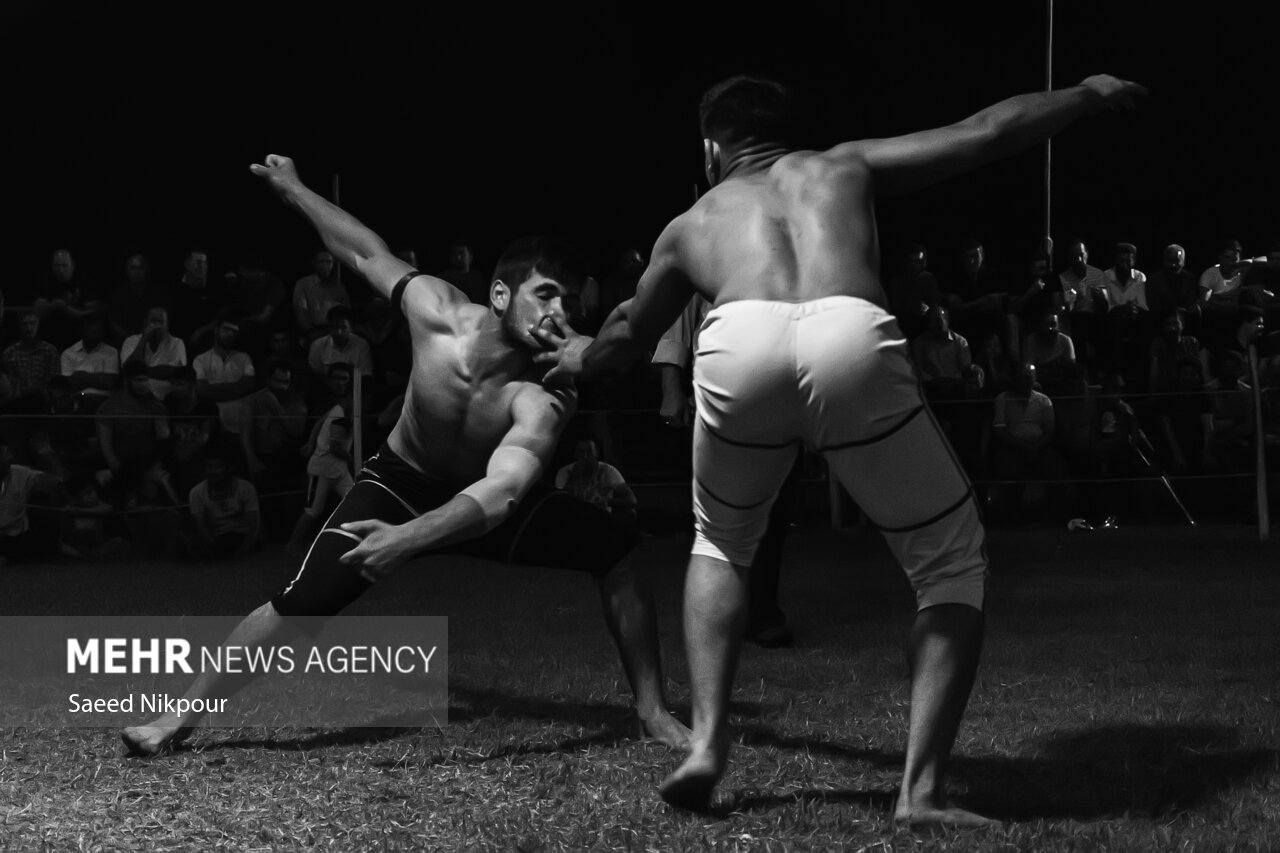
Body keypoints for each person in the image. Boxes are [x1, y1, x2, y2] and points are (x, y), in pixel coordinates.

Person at [533, 72, 1145, 823]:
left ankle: (706, 747)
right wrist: (1085, 93)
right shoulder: (844, 165)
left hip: (739, 341)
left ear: (709, 146)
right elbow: (988, 131)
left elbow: (626, 338)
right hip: (849, 337)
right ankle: (918, 792)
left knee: (720, 543)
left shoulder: (692, 222)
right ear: (786, 133)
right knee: (951, 563)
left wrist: (576, 358)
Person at [121, 154, 687, 757]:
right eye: (546, 295)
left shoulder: (548, 391)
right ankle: (178, 719)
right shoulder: (436, 311)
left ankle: (652, 712)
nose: (559, 317)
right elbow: (363, 250)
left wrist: (409, 539)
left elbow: (503, 492)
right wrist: (292, 188)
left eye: (570, 305)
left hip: (485, 500)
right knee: (301, 602)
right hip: (399, 481)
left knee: (619, 552)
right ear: (500, 293)